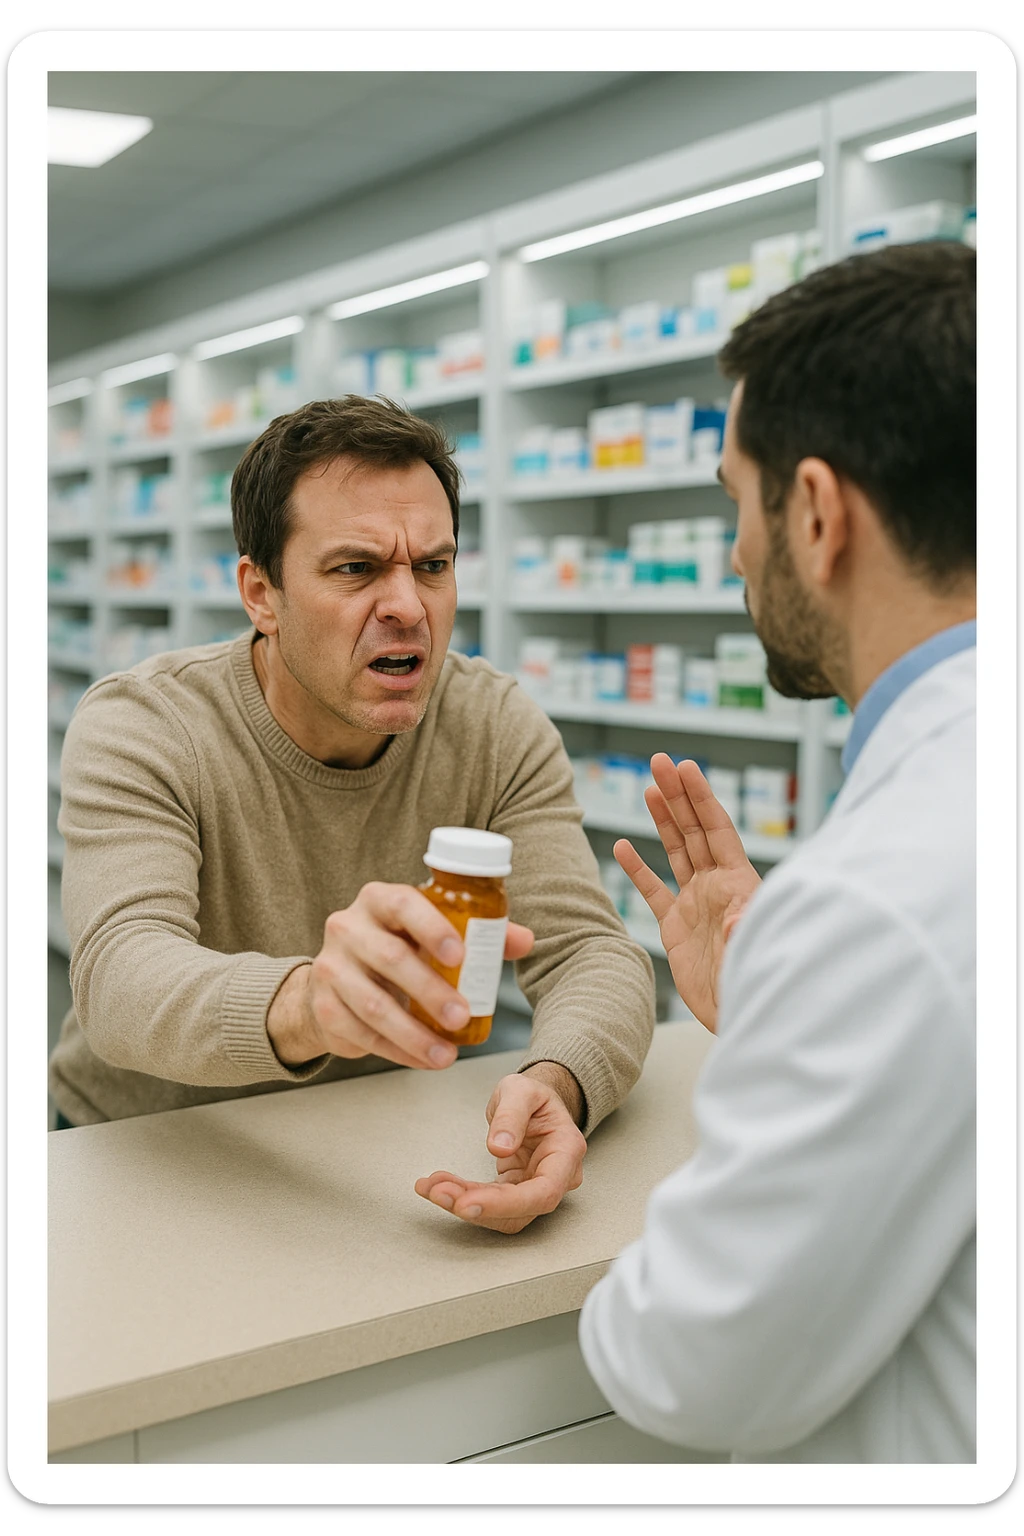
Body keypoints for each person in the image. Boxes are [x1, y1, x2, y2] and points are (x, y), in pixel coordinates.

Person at [50, 395, 656, 1234]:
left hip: (355, 1157)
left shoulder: (493, 725)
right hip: (135, 1152)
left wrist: (559, 1082)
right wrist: (309, 1004)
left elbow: (590, 952)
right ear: (261, 592)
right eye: (356, 569)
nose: (408, 605)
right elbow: (119, 978)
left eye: (433, 566)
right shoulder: (146, 725)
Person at [578, 241, 977, 1462]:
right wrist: (774, 1009)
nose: (733, 553)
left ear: (814, 513)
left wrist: (805, 987)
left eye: (733, 500)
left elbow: (689, 1364)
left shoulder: (878, 900)